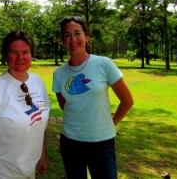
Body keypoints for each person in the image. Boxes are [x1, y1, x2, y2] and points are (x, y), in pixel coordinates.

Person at [52, 16, 134, 179]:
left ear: (86, 37)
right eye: (67, 35)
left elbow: (127, 100)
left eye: (77, 33)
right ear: (63, 40)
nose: (72, 39)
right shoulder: (59, 73)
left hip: (102, 143)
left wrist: (112, 122)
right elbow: (66, 107)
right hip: (70, 143)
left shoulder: (104, 64)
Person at [0, 30, 51, 179]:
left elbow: (41, 122)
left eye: (25, 52)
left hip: (27, 171)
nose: (20, 57)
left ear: (31, 54)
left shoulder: (37, 82)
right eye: (14, 52)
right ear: (6, 56)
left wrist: (42, 155)